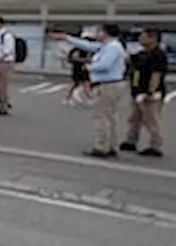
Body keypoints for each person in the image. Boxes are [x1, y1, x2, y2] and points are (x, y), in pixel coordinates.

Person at [49, 24, 126, 158]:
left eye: (99, 32)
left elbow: (105, 65)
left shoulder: (113, 47)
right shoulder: (106, 46)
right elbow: (87, 46)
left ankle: (101, 147)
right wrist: (66, 38)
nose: (97, 34)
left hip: (107, 84)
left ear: (105, 33)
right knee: (110, 116)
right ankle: (111, 145)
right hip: (110, 84)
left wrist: (90, 67)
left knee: (101, 116)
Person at [122, 28, 167, 157]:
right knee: (134, 118)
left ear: (152, 38)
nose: (140, 39)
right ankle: (131, 140)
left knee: (151, 119)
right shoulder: (142, 54)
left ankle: (155, 145)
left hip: (149, 93)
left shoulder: (158, 55)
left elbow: (156, 74)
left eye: (143, 36)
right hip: (137, 91)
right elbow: (130, 63)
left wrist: (151, 91)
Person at [64, 37, 93, 105]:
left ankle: (90, 98)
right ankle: (67, 98)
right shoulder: (76, 49)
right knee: (76, 83)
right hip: (77, 69)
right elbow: (72, 59)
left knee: (86, 83)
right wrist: (85, 60)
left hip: (84, 68)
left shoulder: (87, 50)